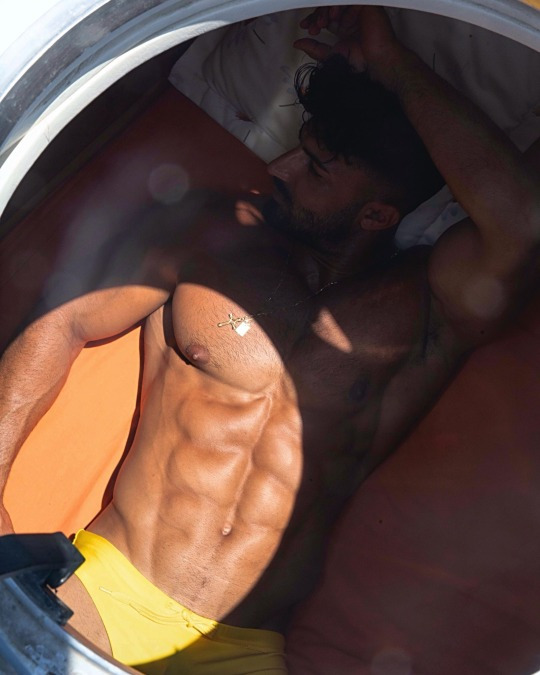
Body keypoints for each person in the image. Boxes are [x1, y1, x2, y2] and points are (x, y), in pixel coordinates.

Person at [0, 5, 538, 673]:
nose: (280, 168)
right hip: (104, 593)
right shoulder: (210, 241)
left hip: (247, 646)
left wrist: (394, 64)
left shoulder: (424, 311)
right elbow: (63, 320)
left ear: (376, 213)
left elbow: (522, 223)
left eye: (316, 168)